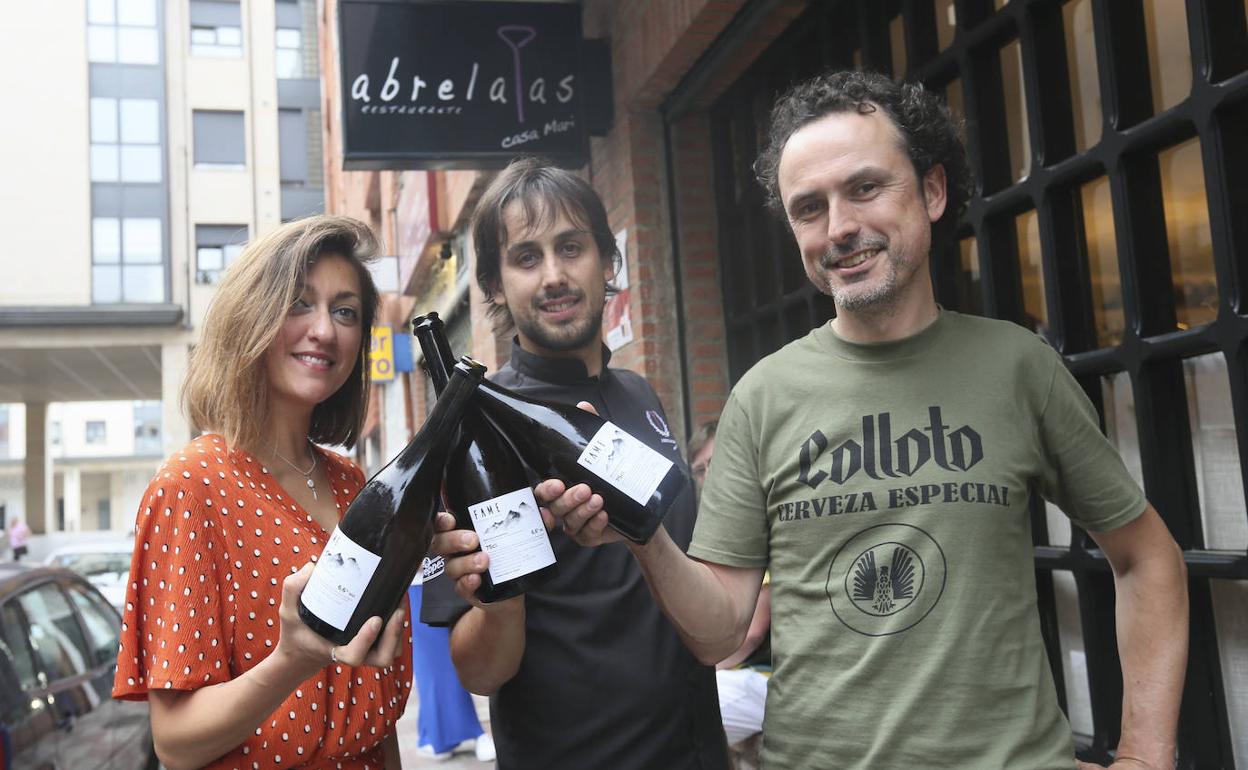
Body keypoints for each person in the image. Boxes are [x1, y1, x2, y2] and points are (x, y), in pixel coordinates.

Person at [540, 70, 1189, 769]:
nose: (840, 228)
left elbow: (1146, 557)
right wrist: (643, 536)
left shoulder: (1017, 367)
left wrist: (1145, 757)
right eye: (809, 208)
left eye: (865, 188)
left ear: (932, 191)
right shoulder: (762, 397)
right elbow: (720, 634)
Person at [422, 158, 728, 770]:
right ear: (495, 283)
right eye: (527, 257)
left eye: (571, 247)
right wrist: (500, 598)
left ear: (608, 261)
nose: (554, 276)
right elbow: (479, 672)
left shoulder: (640, 394)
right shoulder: (471, 435)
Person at [113, 216, 412, 770]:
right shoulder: (192, 487)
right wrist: (292, 661)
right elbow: (175, 743)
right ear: (250, 316)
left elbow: (378, 723)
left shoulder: (355, 485)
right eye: (299, 303)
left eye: (345, 311)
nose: (325, 330)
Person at [690, 421, 770, 770]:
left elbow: (751, 632)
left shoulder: (759, 518)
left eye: (716, 462)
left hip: (767, 675)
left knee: (680, 716)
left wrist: (692, 671)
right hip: (733, 672)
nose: (708, 475)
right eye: (700, 469)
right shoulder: (710, 526)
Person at [406, 573, 495, 762]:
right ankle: (465, 733)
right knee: (436, 663)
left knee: (437, 662)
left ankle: (432, 734)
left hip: (442, 576)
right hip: (420, 580)